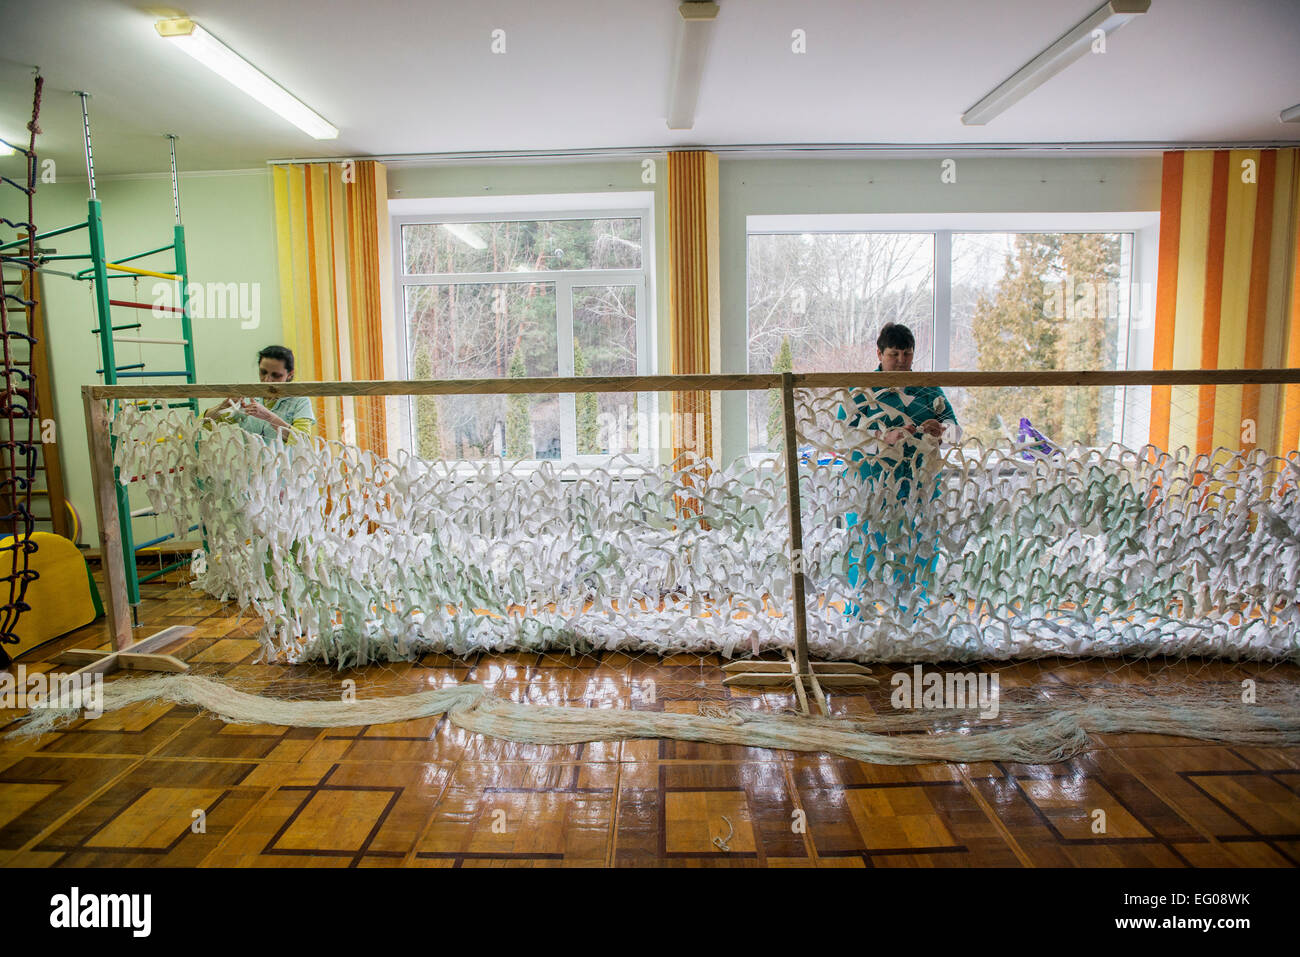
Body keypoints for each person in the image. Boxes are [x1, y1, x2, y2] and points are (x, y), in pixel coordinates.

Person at [837, 323, 959, 612]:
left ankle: (915, 615)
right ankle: (860, 616)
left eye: (907, 354)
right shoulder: (861, 390)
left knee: (919, 548)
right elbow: (844, 436)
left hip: (920, 484)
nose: (902, 361)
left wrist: (942, 430)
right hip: (872, 485)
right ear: (878, 353)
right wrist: (881, 438)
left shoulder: (929, 389)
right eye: (894, 354)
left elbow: (956, 431)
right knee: (867, 548)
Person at [204, 345, 315, 442]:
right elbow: (204, 424)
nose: (267, 380)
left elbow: (303, 441)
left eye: (276, 375)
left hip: (286, 466)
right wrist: (224, 405)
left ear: (290, 374)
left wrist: (268, 416)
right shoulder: (246, 398)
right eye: (263, 372)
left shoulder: (300, 400)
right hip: (252, 466)